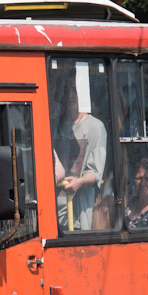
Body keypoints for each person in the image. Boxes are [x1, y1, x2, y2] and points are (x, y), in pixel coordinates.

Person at [54, 79, 107, 230]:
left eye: (75, 90)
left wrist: (80, 182)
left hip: (78, 214)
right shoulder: (53, 126)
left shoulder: (95, 127)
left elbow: (95, 173)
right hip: (51, 211)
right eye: (66, 90)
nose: (70, 96)